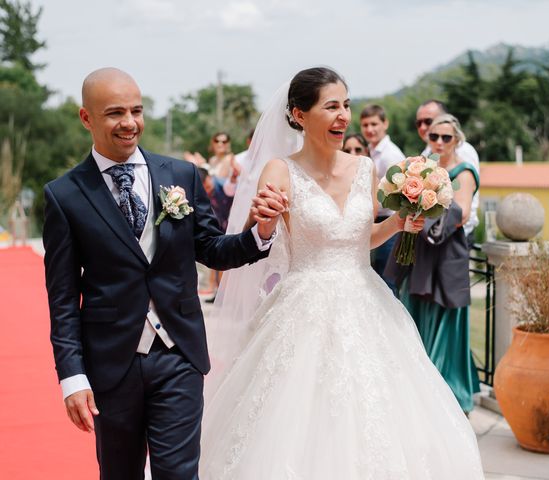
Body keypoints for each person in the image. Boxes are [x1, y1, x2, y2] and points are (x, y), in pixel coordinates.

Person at [198, 67, 484, 479]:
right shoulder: (280, 171)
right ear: (299, 114)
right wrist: (260, 223)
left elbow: (361, 236)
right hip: (302, 306)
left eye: (346, 105)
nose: (343, 116)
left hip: (366, 299)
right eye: (331, 106)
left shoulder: (365, 168)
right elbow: (254, 239)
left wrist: (400, 222)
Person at [42, 67, 281, 480]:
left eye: (136, 110)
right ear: (87, 119)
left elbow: (211, 250)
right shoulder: (64, 196)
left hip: (178, 354)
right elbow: (62, 298)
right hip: (111, 363)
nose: (130, 122)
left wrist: (258, 233)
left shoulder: (181, 176)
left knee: (179, 474)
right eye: (115, 113)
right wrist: (72, 376)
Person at [386, 114, 481, 414]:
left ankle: (448, 395)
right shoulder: (422, 169)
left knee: (445, 320)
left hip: (446, 253)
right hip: (420, 252)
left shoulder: (464, 172)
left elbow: (461, 213)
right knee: (416, 316)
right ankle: (418, 389)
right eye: (434, 137)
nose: (439, 142)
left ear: (457, 141)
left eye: (446, 138)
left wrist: (427, 215)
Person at [417, 99, 480, 247]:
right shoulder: (426, 153)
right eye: (418, 122)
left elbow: (465, 204)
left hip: (456, 233)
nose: (423, 126)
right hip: (428, 233)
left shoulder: (464, 153)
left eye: (428, 121)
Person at [360, 104, 405, 292]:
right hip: (374, 221)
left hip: (389, 222)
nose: (369, 130)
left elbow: (401, 192)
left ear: (385, 123)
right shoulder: (370, 151)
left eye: (374, 124)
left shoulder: (390, 155)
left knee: (386, 282)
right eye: (365, 125)